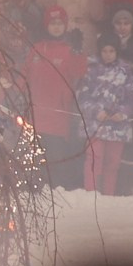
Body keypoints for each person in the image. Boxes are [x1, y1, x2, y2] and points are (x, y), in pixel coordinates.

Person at [25, 13, 87, 194]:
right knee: (36, 155)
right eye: (53, 23)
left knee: (56, 155)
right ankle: (34, 190)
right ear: (47, 26)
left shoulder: (69, 50)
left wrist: (77, 52)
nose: (57, 27)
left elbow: (79, 71)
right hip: (37, 112)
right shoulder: (36, 49)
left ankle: (56, 190)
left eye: (60, 23)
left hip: (59, 113)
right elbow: (25, 74)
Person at [74, 38, 133, 197]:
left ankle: (108, 195)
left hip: (118, 127)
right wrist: (96, 111)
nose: (108, 54)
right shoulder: (90, 70)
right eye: (105, 51)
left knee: (113, 163)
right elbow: (82, 96)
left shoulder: (125, 72)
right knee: (94, 159)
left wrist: (122, 113)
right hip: (94, 125)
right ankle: (91, 195)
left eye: (111, 51)